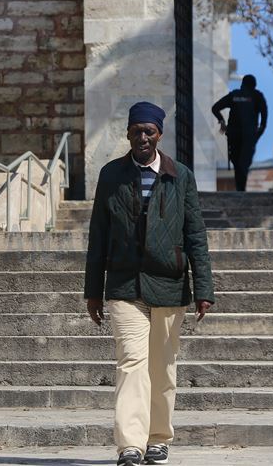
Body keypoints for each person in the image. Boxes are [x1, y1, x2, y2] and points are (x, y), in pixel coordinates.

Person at [84, 101, 216, 466]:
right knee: (130, 362)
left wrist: (203, 288)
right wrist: (93, 289)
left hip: (169, 283)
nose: (142, 137)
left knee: (162, 366)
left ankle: (158, 438)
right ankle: (130, 444)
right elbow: (98, 234)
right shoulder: (111, 175)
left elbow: (195, 234)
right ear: (127, 133)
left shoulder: (180, 175)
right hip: (124, 285)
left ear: (159, 134)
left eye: (149, 131)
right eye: (136, 131)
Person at [211, 74, 268, 191]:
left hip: (234, 134)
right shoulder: (257, 96)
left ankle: (240, 189)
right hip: (248, 135)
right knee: (244, 162)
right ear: (254, 85)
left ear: (243, 84)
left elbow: (215, 108)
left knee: (237, 162)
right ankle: (241, 189)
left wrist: (222, 122)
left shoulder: (234, 95)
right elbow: (264, 114)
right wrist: (258, 133)